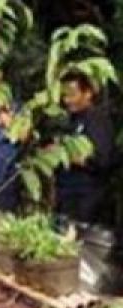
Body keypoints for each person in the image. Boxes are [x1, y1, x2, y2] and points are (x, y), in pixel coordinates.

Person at [56, 70, 115, 224]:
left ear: (87, 93)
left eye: (72, 94)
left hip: (86, 198)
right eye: (64, 95)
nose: (67, 100)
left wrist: (72, 157)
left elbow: (104, 160)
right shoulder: (71, 119)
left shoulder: (97, 120)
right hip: (67, 194)